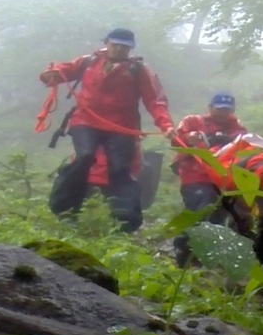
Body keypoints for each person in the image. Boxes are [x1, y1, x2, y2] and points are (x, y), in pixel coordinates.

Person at [41, 28, 176, 231]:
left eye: (125, 47)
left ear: (131, 49)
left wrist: (166, 124)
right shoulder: (89, 62)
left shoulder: (138, 70)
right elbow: (62, 72)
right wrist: (50, 75)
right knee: (84, 156)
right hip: (86, 121)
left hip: (121, 126)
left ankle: (125, 221)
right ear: (107, 43)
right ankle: (65, 209)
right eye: (116, 45)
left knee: (120, 169)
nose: (120, 49)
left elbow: (154, 100)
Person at [171, 93, 250, 265]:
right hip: (196, 175)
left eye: (227, 110)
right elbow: (177, 141)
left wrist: (228, 140)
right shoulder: (193, 122)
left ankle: (208, 257)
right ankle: (183, 251)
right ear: (211, 107)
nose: (223, 113)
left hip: (224, 179)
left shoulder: (237, 129)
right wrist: (189, 139)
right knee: (200, 210)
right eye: (219, 109)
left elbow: (246, 146)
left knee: (220, 216)